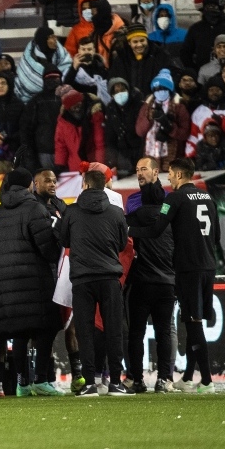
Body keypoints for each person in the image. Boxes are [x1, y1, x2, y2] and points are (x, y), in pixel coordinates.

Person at [129, 158, 220, 393]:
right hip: (209, 266)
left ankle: (207, 381)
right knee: (194, 322)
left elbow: (156, 229)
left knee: (193, 322)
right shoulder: (209, 198)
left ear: (179, 175)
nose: (168, 178)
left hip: (188, 269)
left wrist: (128, 230)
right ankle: (188, 377)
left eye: (170, 173)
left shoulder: (174, 198)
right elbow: (217, 236)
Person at [0, 168, 64, 397]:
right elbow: (49, 249)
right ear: (30, 185)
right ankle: (41, 379)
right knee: (45, 330)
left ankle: (22, 383)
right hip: (36, 281)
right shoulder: (35, 209)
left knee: (19, 333)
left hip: (6, 285)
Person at [58, 170, 130, 397]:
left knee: (85, 332)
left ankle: (90, 382)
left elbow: (64, 240)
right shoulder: (116, 212)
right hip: (109, 278)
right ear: (104, 185)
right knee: (114, 330)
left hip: (82, 279)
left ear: (86, 185)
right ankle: (116, 382)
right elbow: (121, 244)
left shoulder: (71, 211)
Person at [124, 169, 175, 394]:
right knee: (164, 332)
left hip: (141, 284)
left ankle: (136, 379)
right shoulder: (171, 221)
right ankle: (164, 379)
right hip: (167, 284)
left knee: (136, 333)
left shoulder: (133, 219)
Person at [136, 69, 189, 171]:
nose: (160, 91)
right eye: (156, 89)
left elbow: (185, 133)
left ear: (169, 90)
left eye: (163, 88)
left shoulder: (179, 106)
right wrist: (149, 119)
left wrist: (169, 127)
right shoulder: (147, 107)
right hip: (151, 156)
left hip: (174, 156)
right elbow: (139, 131)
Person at [109, 23, 174, 94]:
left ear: (147, 39)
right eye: (135, 42)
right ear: (129, 42)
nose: (139, 45)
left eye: (142, 40)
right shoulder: (121, 58)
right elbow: (113, 81)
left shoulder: (160, 56)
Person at [19, 67, 63, 171]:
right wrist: (29, 152)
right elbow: (26, 128)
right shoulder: (36, 101)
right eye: (49, 78)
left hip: (66, 150)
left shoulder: (68, 99)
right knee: (47, 182)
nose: (52, 81)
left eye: (56, 78)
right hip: (44, 150)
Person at [15, 26, 73, 103]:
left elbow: (67, 67)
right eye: (51, 37)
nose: (55, 39)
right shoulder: (31, 57)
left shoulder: (60, 52)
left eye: (55, 36)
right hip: (31, 99)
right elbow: (28, 81)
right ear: (43, 40)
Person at [54, 90, 104, 173]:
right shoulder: (63, 121)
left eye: (79, 105)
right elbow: (60, 145)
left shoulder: (94, 116)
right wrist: (60, 165)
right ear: (69, 109)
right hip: (75, 168)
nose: (77, 109)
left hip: (93, 162)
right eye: (73, 107)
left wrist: (100, 164)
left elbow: (100, 143)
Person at [104, 78, 146, 178]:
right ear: (112, 94)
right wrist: (112, 162)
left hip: (141, 150)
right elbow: (110, 138)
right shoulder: (110, 109)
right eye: (116, 91)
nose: (120, 93)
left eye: (122, 90)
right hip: (123, 156)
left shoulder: (139, 105)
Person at [182, 0, 225, 74]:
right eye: (208, 7)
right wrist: (194, 70)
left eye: (214, 7)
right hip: (201, 73)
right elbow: (185, 52)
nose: (211, 10)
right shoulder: (195, 29)